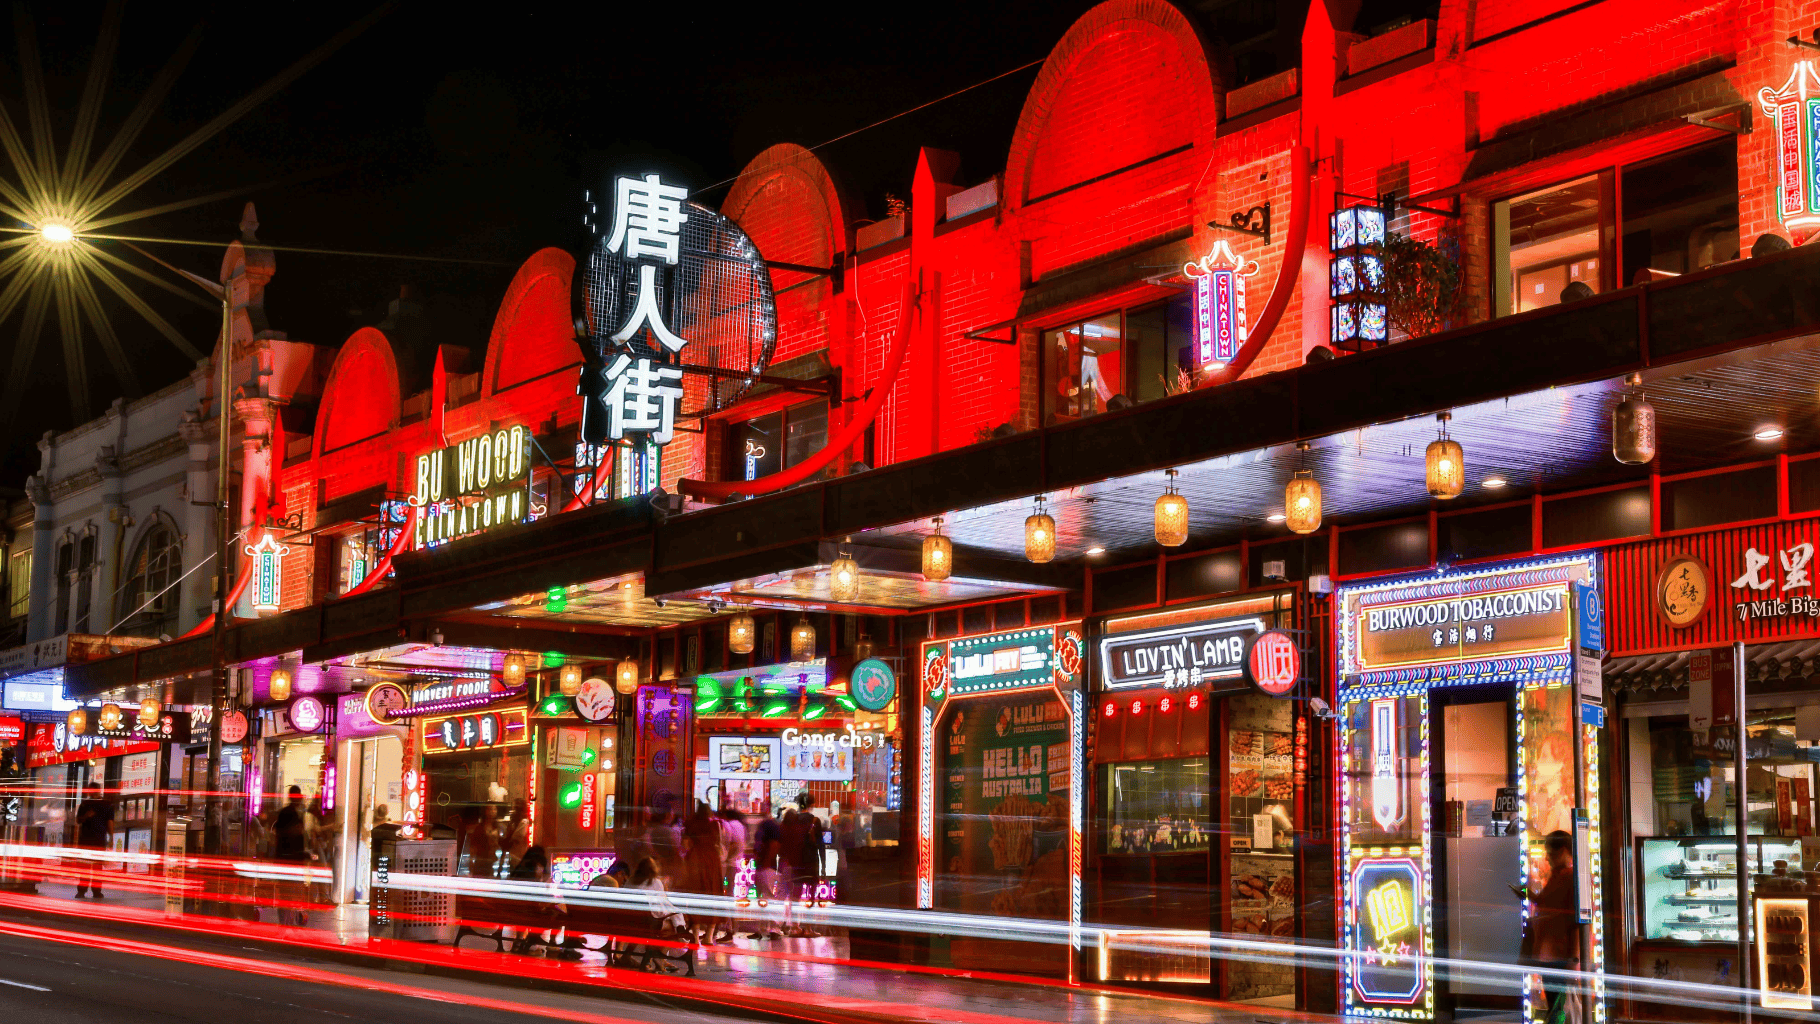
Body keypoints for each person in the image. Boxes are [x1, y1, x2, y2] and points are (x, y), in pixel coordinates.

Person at [1520, 831, 1582, 1024]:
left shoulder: (1569, 878)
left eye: (1550, 853)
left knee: (1558, 1007)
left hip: (1559, 955)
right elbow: (1553, 907)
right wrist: (1532, 896)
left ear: (1563, 851)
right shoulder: (1559, 877)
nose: (1546, 857)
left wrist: (1574, 959)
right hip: (1552, 954)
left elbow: (1575, 921)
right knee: (1556, 1004)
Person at [681, 801, 728, 943]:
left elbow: (685, 844)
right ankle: (708, 936)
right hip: (712, 861)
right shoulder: (716, 825)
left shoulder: (690, 824)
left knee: (695, 896)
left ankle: (695, 936)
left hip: (695, 859)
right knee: (714, 895)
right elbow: (721, 842)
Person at [271, 786, 315, 926]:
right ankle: (287, 922)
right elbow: (292, 835)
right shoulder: (290, 814)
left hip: (287, 860)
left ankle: (287, 921)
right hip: (291, 861)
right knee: (290, 893)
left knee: (288, 894)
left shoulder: (289, 813)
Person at [72, 782, 114, 899]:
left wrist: (111, 838)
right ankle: (82, 890)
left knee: (96, 868)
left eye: (93, 790)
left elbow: (110, 822)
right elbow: (78, 820)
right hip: (85, 840)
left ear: (98, 790)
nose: (92, 792)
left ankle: (96, 891)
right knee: (85, 867)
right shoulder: (85, 804)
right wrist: (86, 816)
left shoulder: (106, 805)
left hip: (99, 840)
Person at [752, 805, 785, 939]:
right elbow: (773, 845)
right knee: (768, 898)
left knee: (766, 898)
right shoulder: (769, 826)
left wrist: (764, 863)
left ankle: (768, 929)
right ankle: (770, 928)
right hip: (766, 867)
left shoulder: (767, 826)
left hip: (764, 867)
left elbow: (771, 845)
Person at [503, 798, 531, 867]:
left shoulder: (524, 821)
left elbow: (516, 838)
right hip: (513, 854)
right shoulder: (513, 821)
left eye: (517, 807)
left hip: (519, 855)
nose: (515, 809)